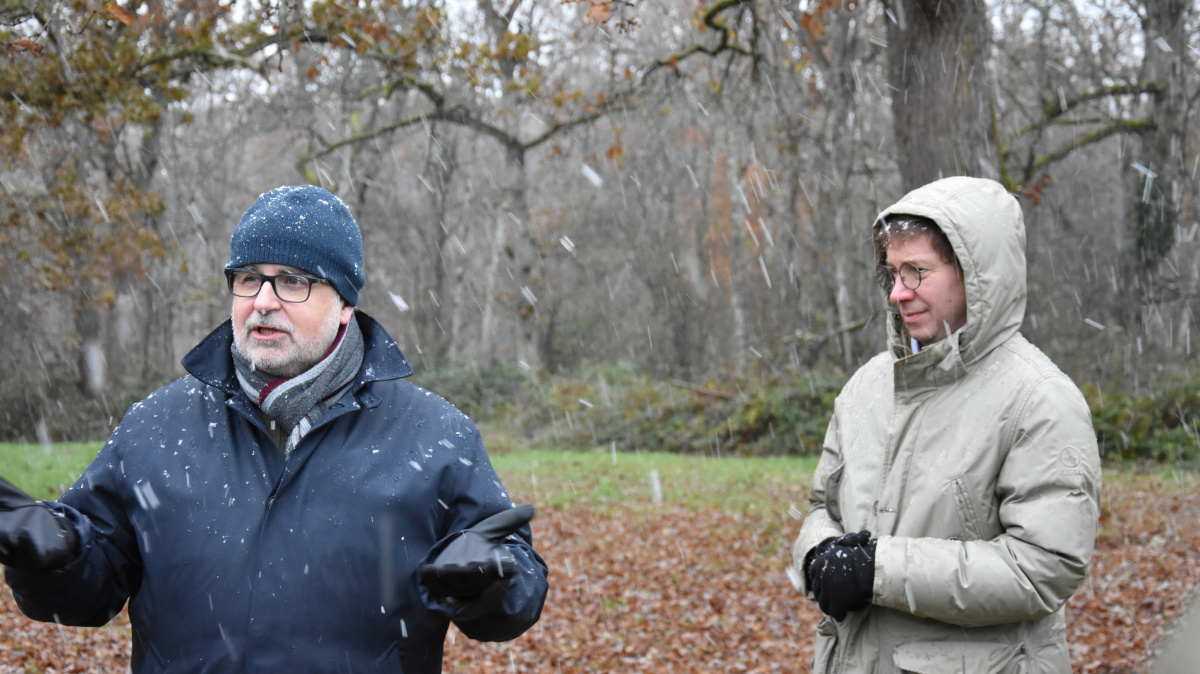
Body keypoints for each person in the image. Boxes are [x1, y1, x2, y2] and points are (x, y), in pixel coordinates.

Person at [0, 185, 549, 672]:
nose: (263, 302)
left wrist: (493, 584)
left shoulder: (434, 436)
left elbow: (515, 597)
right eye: (247, 279)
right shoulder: (155, 427)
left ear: (344, 305)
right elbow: (87, 593)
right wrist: (57, 557)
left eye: (292, 281)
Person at [792, 177, 1101, 674]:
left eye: (917, 272)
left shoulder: (1040, 399)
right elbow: (819, 509)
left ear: (974, 275)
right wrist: (819, 554)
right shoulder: (869, 386)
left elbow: (1043, 568)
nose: (898, 292)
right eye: (893, 273)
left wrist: (878, 570)